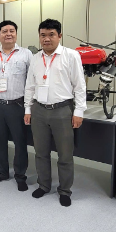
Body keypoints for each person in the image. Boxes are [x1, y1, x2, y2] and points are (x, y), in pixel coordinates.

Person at [23, 19, 86, 207]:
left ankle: (65, 190)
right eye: (43, 35)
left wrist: (79, 111)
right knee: (40, 152)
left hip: (62, 111)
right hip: (39, 110)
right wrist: (28, 108)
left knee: (65, 155)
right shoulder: (35, 58)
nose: (46, 39)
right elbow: (30, 86)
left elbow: (79, 85)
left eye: (51, 35)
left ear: (59, 36)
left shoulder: (71, 56)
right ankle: (43, 185)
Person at [0, 20, 33, 191]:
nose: (8, 34)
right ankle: (2, 172)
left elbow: (31, 82)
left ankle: (20, 175)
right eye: (4, 31)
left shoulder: (26, 54)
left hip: (17, 105)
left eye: (12, 31)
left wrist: (29, 107)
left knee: (20, 142)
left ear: (16, 34)